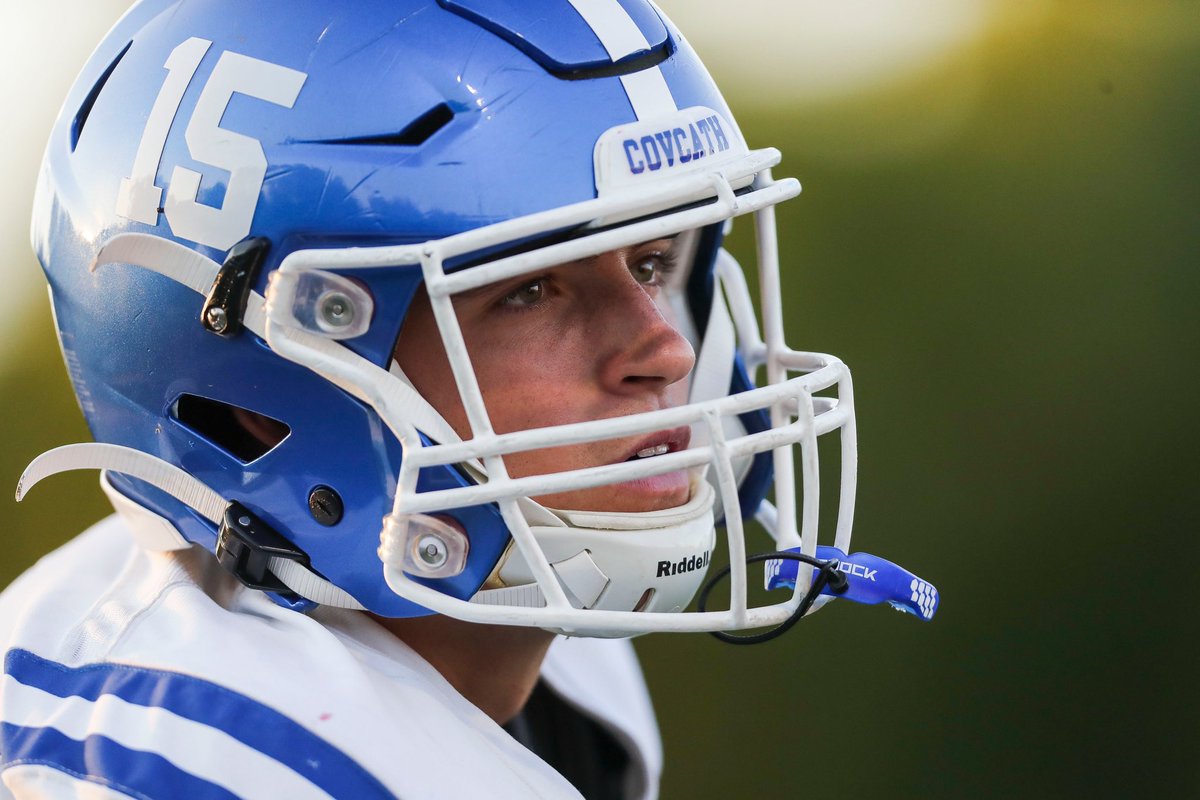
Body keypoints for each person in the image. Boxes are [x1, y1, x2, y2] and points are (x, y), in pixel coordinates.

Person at [0, 1, 938, 798]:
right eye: (528, 290)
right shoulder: (191, 770)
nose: (663, 349)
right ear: (261, 401)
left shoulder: (539, 632)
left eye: (655, 262)